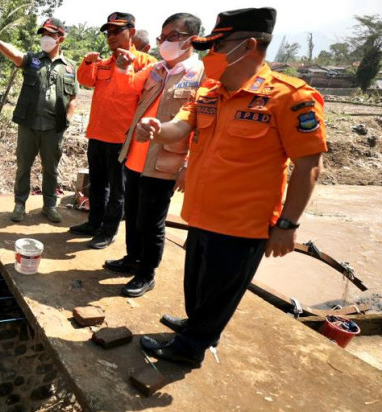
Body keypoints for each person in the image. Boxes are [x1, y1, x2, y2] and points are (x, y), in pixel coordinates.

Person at [134, 7, 327, 367]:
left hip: (242, 224)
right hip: (201, 214)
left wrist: (287, 225)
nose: (210, 56)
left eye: (217, 46)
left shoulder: (289, 97)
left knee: (220, 291)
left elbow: (309, 165)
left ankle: (191, 348)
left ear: (249, 46)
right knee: (198, 287)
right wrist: (158, 131)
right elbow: (181, 125)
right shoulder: (210, 92)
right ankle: (197, 325)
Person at [104, 13, 204, 298]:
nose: (165, 42)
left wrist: (187, 164)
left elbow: (201, 127)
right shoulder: (157, 69)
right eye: (163, 37)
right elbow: (129, 90)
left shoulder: (200, 76)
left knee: (152, 222)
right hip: (136, 155)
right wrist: (124, 70)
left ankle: (146, 274)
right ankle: (132, 259)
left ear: (192, 40)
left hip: (164, 162)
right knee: (133, 215)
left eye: (173, 36)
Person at [69, 12, 157, 248]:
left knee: (119, 188)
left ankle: (108, 231)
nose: (111, 36)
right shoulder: (104, 63)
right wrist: (87, 62)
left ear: (132, 32)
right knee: (97, 184)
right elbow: (86, 80)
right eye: (109, 32)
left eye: (117, 31)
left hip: (123, 138)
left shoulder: (145, 64)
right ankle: (93, 223)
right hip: (97, 133)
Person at [0, 18, 78, 223]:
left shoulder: (70, 67)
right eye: (43, 34)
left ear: (61, 38)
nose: (45, 38)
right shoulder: (33, 60)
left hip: (54, 128)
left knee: (51, 169)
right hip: (29, 125)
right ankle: (19, 204)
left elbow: (73, 98)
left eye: (50, 35)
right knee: (23, 165)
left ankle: (50, 205)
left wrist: (66, 122)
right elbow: (16, 55)